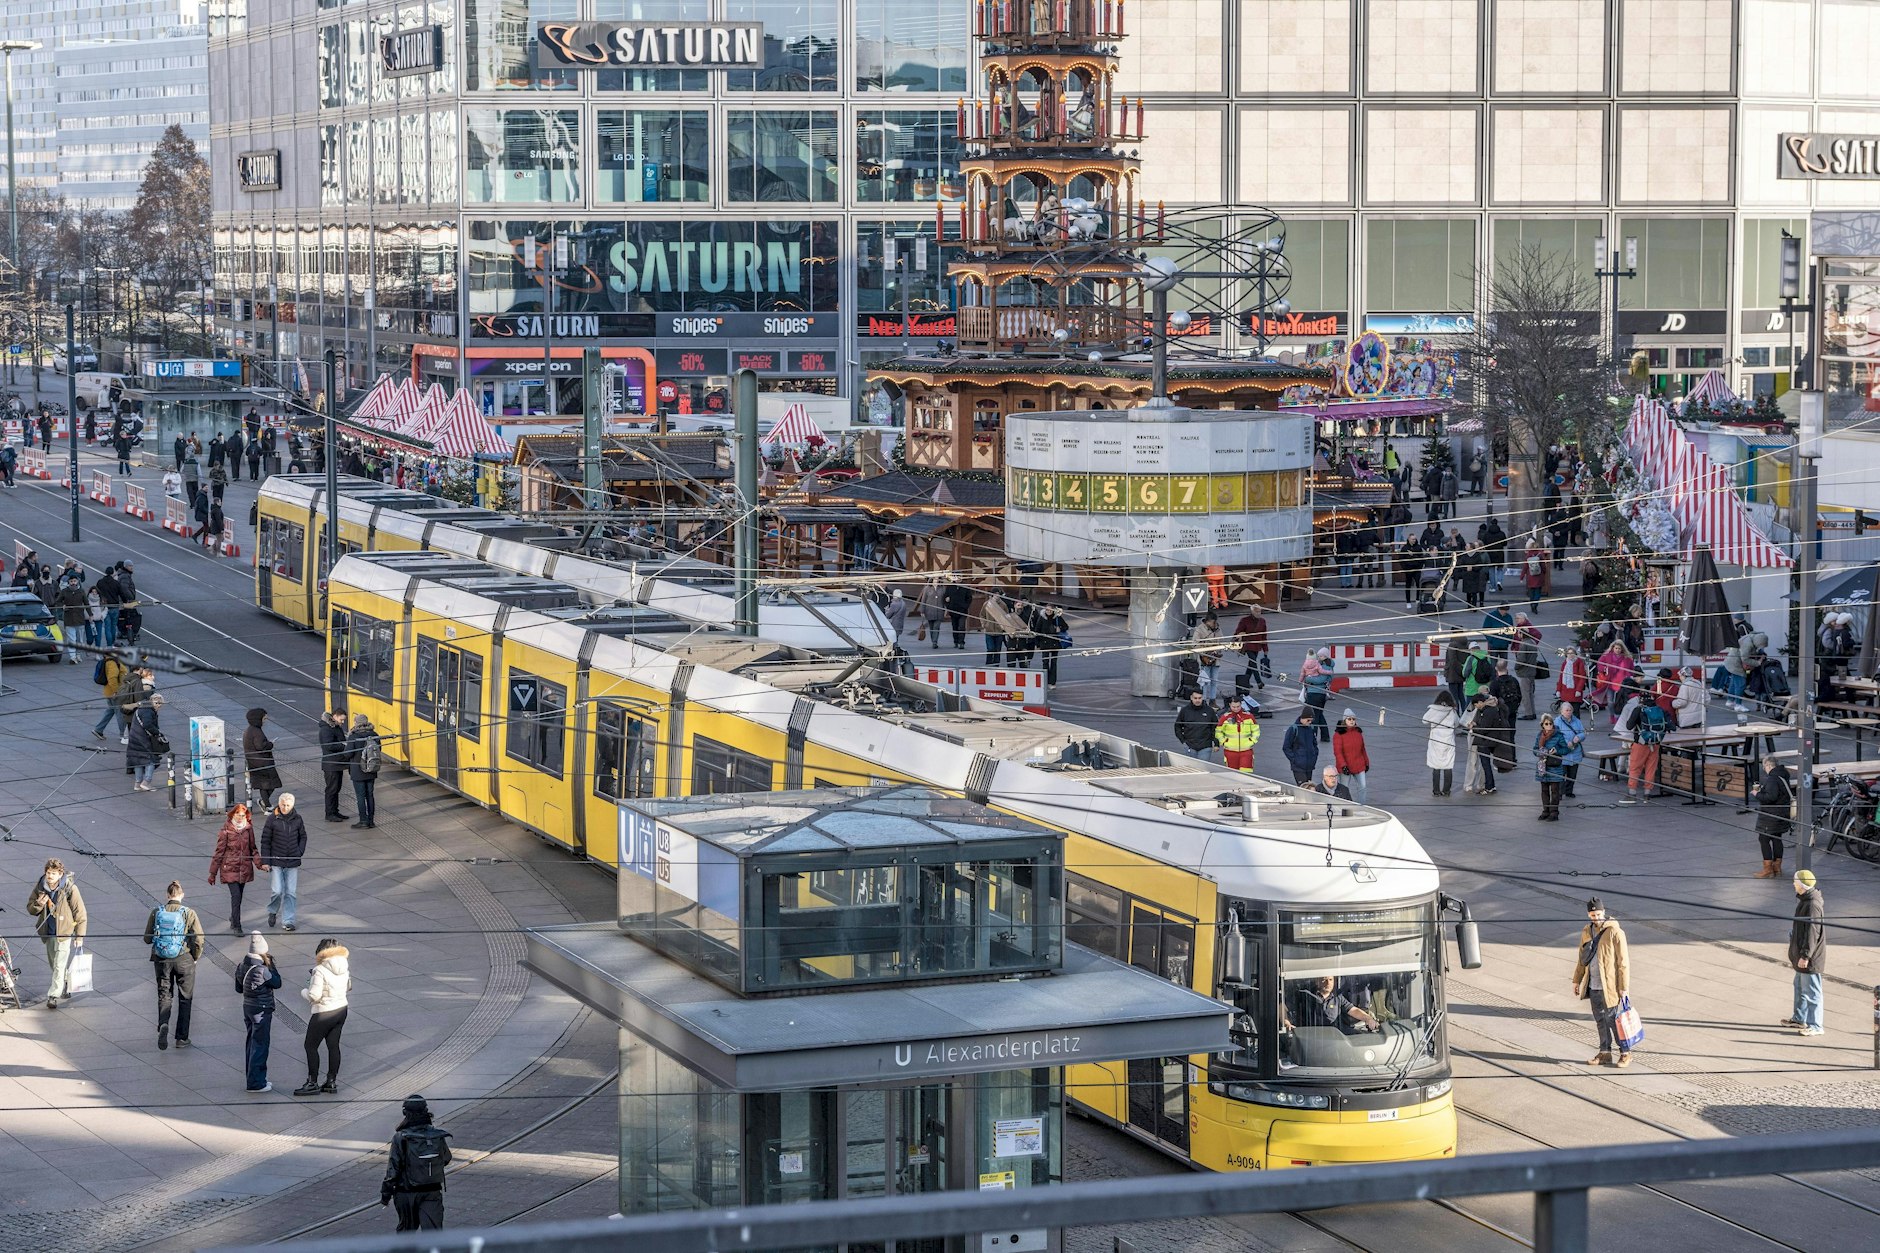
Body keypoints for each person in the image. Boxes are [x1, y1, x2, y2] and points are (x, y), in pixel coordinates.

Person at [142, 880, 205, 1050]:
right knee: (185, 997)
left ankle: (163, 1024)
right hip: (184, 958)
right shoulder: (189, 913)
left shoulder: (157, 912)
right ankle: (181, 1038)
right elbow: (198, 938)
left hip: (161, 959)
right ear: (182, 895)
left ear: (167, 895)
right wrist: (195, 956)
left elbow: (147, 939)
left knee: (165, 994)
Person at [1571, 898, 1632, 1066]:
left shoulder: (1615, 932)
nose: (1595, 918)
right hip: (1593, 984)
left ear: (1603, 912)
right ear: (1588, 914)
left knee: (1613, 1019)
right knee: (1600, 1019)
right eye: (1592, 915)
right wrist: (1577, 980)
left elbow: (1623, 962)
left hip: (1610, 986)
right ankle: (1604, 1052)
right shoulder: (1586, 931)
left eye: (1598, 914)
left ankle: (1625, 1052)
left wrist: (1623, 987)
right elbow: (1581, 958)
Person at [381, 1094, 452, 1230]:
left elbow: (393, 1170)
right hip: (432, 1191)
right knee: (433, 1235)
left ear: (405, 1113)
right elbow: (446, 1158)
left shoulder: (400, 1137)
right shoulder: (435, 1134)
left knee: (406, 1236)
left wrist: (386, 1194)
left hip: (406, 1193)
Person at [26, 858, 88, 1009]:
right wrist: (39, 903)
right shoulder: (40, 887)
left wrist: (79, 936)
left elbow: (80, 913)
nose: (50, 876)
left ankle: (53, 995)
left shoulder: (70, 888)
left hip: (64, 933)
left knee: (59, 965)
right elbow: (30, 909)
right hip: (48, 932)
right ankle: (65, 982)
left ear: (60, 874)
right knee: (54, 964)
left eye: (53, 873)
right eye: (48, 873)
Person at [297, 937, 352, 1096]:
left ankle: (312, 1082)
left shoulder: (319, 970)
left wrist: (304, 992)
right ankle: (331, 1081)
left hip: (323, 1012)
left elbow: (314, 995)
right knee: (333, 1045)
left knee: (310, 1046)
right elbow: (349, 987)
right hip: (341, 1009)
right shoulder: (344, 966)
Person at [237, 932, 283, 1091]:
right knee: (261, 1045)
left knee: (251, 1043)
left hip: (247, 1007)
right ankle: (257, 1083)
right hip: (262, 1008)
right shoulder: (263, 969)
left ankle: (253, 1078)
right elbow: (277, 983)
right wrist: (271, 967)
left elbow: (238, 988)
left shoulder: (242, 965)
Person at [208, 803, 262, 933]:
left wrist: (260, 864)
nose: (240, 817)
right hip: (230, 869)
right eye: (238, 814)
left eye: (243, 815)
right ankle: (237, 926)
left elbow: (252, 848)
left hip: (244, 868)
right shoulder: (225, 831)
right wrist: (212, 873)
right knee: (236, 896)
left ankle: (233, 918)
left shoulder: (248, 829)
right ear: (232, 814)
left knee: (239, 897)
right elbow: (218, 853)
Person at [260, 792, 309, 931]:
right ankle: (273, 910)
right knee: (277, 890)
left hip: (292, 861)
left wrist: (299, 852)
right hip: (276, 860)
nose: (285, 807)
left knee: (291, 892)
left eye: (288, 805)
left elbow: (303, 837)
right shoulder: (272, 819)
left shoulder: (298, 819)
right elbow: (265, 841)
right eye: (283, 805)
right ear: (279, 804)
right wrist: (266, 861)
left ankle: (288, 920)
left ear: (292, 805)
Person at [1787, 870, 1826, 1036]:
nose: (1793, 884)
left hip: (1809, 958)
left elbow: (1812, 933)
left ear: (1802, 885)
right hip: (1801, 955)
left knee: (1811, 992)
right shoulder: (1806, 900)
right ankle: (1799, 1018)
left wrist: (1805, 956)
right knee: (1799, 987)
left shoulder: (1811, 905)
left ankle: (1816, 1025)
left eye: (1795, 882)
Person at [1619, 684, 1668, 803]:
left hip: (1641, 743)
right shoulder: (1659, 709)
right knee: (1651, 768)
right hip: (1656, 742)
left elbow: (1629, 726)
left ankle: (1632, 794)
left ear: (1640, 699)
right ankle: (1647, 795)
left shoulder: (1638, 709)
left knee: (1635, 768)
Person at [1754, 756, 1794, 879]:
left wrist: (1757, 794)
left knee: (1763, 838)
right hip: (1782, 813)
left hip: (1771, 815)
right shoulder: (1783, 775)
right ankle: (1777, 867)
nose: (1764, 769)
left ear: (1769, 765)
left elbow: (1770, 797)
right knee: (1777, 838)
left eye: (1764, 767)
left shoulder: (1772, 779)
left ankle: (1768, 869)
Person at [1469, 692, 1514, 796]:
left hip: (1486, 741)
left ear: (1480, 702)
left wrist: (1473, 728)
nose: (1476, 707)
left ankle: (1490, 786)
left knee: (1486, 765)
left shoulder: (1488, 711)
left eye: (1476, 705)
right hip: (1492, 738)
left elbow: (1484, 728)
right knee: (1486, 765)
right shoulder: (1491, 707)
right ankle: (1489, 785)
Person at [243, 707, 283, 810]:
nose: (265, 721)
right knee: (269, 783)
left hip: (254, 762)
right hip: (262, 762)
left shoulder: (250, 730)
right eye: (264, 719)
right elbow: (261, 746)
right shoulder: (256, 731)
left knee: (264, 785)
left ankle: (265, 803)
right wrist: (270, 744)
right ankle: (266, 805)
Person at [128, 692, 169, 791]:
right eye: (158, 703)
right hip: (143, 739)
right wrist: (157, 732)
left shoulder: (142, 707)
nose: (159, 706)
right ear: (153, 702)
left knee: (138, 760)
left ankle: (137, 784)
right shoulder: (148, 711)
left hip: (134, 737)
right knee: (151, 759)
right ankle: (147, 782)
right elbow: (147, 725)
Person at [349, 714, 383, 828]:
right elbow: (379, 750)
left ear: (357, 723)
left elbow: (348, 753)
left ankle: (363, 821)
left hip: (358, 772)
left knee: (360, 797)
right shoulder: (375, 735)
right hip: (371, 770)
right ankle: (371, 821)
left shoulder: (354, 737)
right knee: (370, 795)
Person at [320, 708, 354, 822]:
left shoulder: (334, 727)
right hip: (331, 764)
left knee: (336, 788)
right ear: (335, 716)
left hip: (337, 763)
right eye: (341, 719)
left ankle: (335, 811)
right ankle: (329, 813)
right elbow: (328, 746)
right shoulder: (326, 729)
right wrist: (343, 746)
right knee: (331, 789)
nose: (342, 722)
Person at [1423, 690, 1458, 796]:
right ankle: (1447, 790)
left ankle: (1436, 790)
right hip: (1448, 741)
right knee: (1448, 765)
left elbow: (1424, 720)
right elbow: (1456, 723)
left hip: (1435, 741)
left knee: (1436, 765)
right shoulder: (1452, 711)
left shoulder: (1433, 709)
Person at [1214, 695, 1260, 773]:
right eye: (1234, 707)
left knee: (1246, 774)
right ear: (1230, 705)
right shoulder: (1224, 717)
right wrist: (1224, 742)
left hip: (1246, 750)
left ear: (1241, 704)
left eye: (1238, 706)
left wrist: (1252, 741)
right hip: (1230, 751)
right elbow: (1218, 732)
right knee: (1233, 774)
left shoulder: (1249, 716)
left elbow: (1256, 730)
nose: (1236, 709)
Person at [1332, 709, 1369, 803]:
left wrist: (1366, 762)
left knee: (1363, 787)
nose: (1352, 721)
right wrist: (1343, 765)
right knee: (1344, 789)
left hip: (1359, 764)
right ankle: (1344, 806)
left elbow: (1363, 749)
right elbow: (1338, 752)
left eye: (1353, 719)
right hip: (1345, 766)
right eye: (1349, 719)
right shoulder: (1338, 734)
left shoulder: (1358, 732)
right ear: (1345, 720)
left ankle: (1362, 806)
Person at [1535, 714, 1568, 820]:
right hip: (1542, 766)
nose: (1549, 725)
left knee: (1555, 790)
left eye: (1551, 723)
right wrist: (1540, 752)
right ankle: (1545, 810)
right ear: (1542, 725)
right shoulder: (1539, 735)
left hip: (1555, 766)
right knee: (1544, 790)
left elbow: (1566, 749)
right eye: (1546, 724)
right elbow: (1534, 749)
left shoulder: (1559, 735)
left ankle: (1554, 812)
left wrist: (1557, 751)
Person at [91, 650, 129, 741]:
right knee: (120, 713)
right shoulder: (112, 663)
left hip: (109, 692)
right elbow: (112, 678)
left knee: (110, 711)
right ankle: (123, 734)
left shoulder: (110, 661)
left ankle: (98, 729)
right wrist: (116, 691)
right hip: (115, 693)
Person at [1232, 603, 1270, 690]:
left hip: (1257, 645)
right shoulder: (1244, 620)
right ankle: (1259, 682)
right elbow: (1237, 633)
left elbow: (1264, 635)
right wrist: (1240, 634)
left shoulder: (1262, 621)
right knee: (1253, 662)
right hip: (1247, 645)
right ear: (1252, 611)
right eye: (1257, 611)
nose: (1259, 613)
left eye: (1260, 611)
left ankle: (1245, 682)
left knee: (1251, 664)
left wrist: (1265, 649)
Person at [1188, 612, 1224, 703]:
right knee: (1204, 681)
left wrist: (1218, 650)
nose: (1214, 624)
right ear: (1207, 622)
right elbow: (1194, 645)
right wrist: (1205, 650)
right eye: (1212, 622)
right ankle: (1203, 700)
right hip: (1204, 659)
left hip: (1216, 659)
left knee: (1214, 681)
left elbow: (1221, 641)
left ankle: (1212, 700)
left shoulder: (1218, 629)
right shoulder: (1199, 629)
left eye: (1215, 622)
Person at [1301, 647, 1334, 742]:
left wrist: (1308, 679)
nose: (1319, 657)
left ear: (1326, 656)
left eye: (1321, 656)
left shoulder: (1326, 666)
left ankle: (1313, 735)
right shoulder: (1323, 664)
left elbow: (1321, 680)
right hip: (1318, 693)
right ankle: (1325, 735)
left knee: (1314, 715)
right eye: (1318, 656)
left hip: (1317, 693)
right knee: (1319, 715)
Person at [1555, 701, 1586, 798]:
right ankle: (1559, 793)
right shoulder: (1557, 722)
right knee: (1561, 774)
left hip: (1575, 752)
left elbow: (1583, 733)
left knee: (1572, 775)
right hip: (1563, 753)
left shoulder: (1577, 721)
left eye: (1570, 710)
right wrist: (1565, 742)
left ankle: (1569, 791)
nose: (1569, 712)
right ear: (1562, 711)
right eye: (1566, 710)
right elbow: (1555, 736)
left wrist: (1579, 737)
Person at [1282, 709, 1319, 786]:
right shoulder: (1293, 729)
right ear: (1303, 718)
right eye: (1308, 720)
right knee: (1303, 787)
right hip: (1298, 766)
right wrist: (1294, 760)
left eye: (1311, 720)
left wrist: (1314, 757)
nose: (1310, 722)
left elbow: (1315, 745)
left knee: (1309, 787)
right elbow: (1286, 747)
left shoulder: (1311, 728)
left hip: (1309, 765)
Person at [1673, 665, 1708, 730]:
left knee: (1687, 738)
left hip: (1687, 719)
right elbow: (1707, 699)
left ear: (1683, 676)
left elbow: (1682, 702)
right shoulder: (1698, 683)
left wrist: (1673, 703)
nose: (1680, 678)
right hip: (1699, 717)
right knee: (1696, 737)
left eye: (1680, 676)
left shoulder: (1685, 686)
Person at [1488, 658, 1522, 726]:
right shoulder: (1514, 680)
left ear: (1496, 669)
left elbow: (1492, 699)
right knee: (1512, 727)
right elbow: (1519, 695)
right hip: (1513, 709)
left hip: (1501, 711)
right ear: (1506, 668)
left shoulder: (1494, 683)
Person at [917, 580, 946, 648]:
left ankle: (934, 642)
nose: (936, 581)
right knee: (931, 627)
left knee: (936, 627)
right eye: (934, 579)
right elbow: (923, 600)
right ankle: (933, 640)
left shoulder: (942, 588)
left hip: (939, 611)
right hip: (929, 611)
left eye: (937, 579)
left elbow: (944, 599)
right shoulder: (927, 588)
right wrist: (922, 611)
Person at [1522, 539, 1547, 613]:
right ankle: (1535, 604)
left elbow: (1525, 567)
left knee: (1531, 592)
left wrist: (1522, 576)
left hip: (1530, 576)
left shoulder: (1528, 556)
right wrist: (1544, 572)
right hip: (1539, 576)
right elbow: (1543, 566)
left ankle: (1532, 604)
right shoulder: (1540, 555)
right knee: (1538, 592)